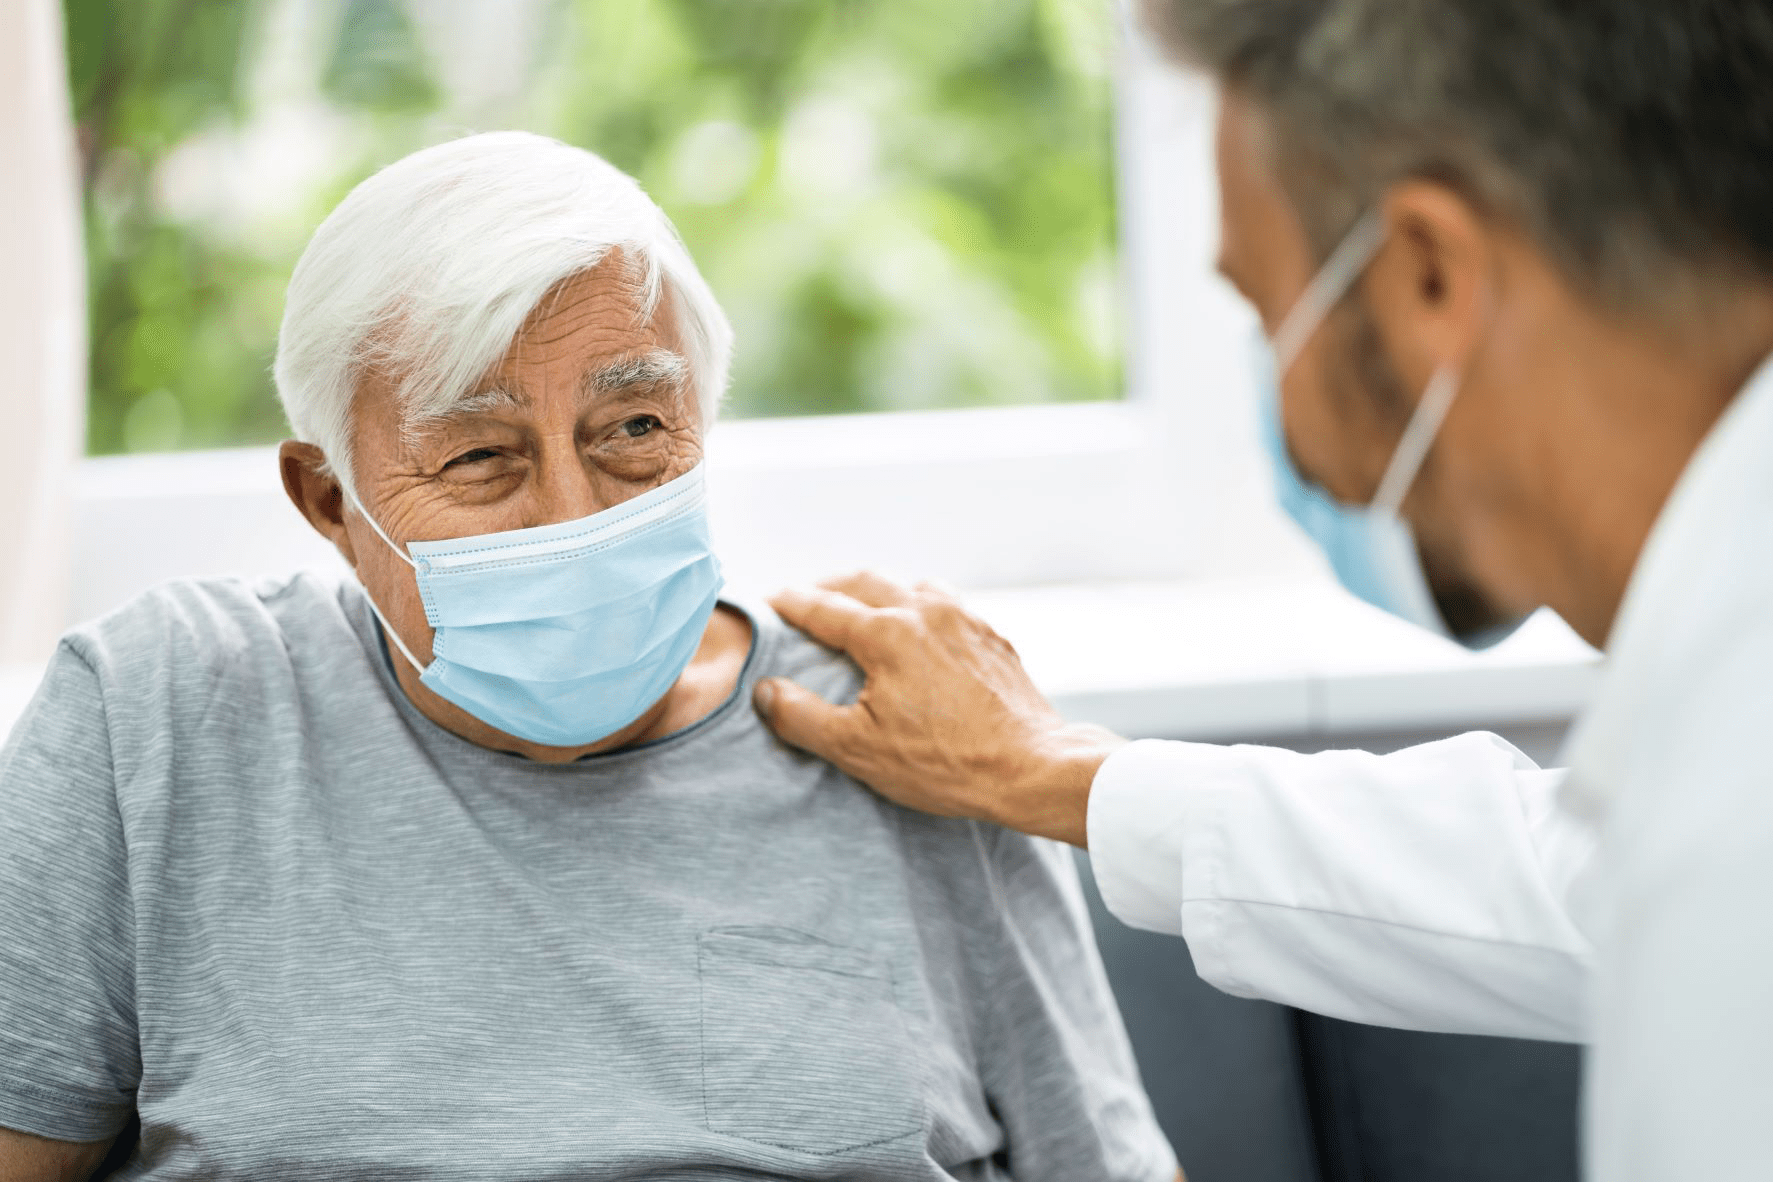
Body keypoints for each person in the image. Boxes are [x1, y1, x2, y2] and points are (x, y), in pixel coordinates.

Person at [0, 132, 1181, 1182]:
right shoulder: (154, 718)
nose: (572, 511)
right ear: (330, 500)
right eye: (479, 458)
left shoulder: (912, 728)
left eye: (632, 431)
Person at [750, 2, 1773, 1178]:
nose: (1276, 417)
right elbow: (1572, 888)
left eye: (1263, 311)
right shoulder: (1721, 748)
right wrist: (1060, 772)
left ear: (1429, 276)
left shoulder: (1733, 820)